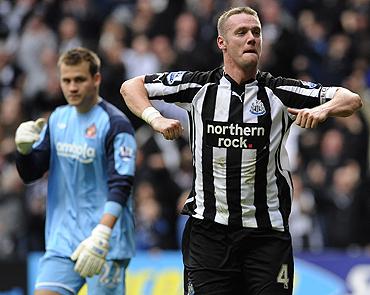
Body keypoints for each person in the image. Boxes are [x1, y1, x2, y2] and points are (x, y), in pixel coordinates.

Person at [119, 6, 363, 295]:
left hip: (266, 236)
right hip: (209, 233)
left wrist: (324, 110)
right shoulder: (199, 86)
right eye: (242, 32)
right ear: (222, 42)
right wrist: (155, 118)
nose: (251, 38)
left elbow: (351, 98)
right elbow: (131, 86)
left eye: (256, 32)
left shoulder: (279, 91)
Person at [15, 47, 137, 295]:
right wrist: (24, 151)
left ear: (96, 79)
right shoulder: (58, 118)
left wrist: (102, 233)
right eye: (66, 80)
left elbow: (121, 184)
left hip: (105, 243)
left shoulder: (116, 124)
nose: (72, 87)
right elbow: (31, 174)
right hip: (63, 241)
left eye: (79, 79)